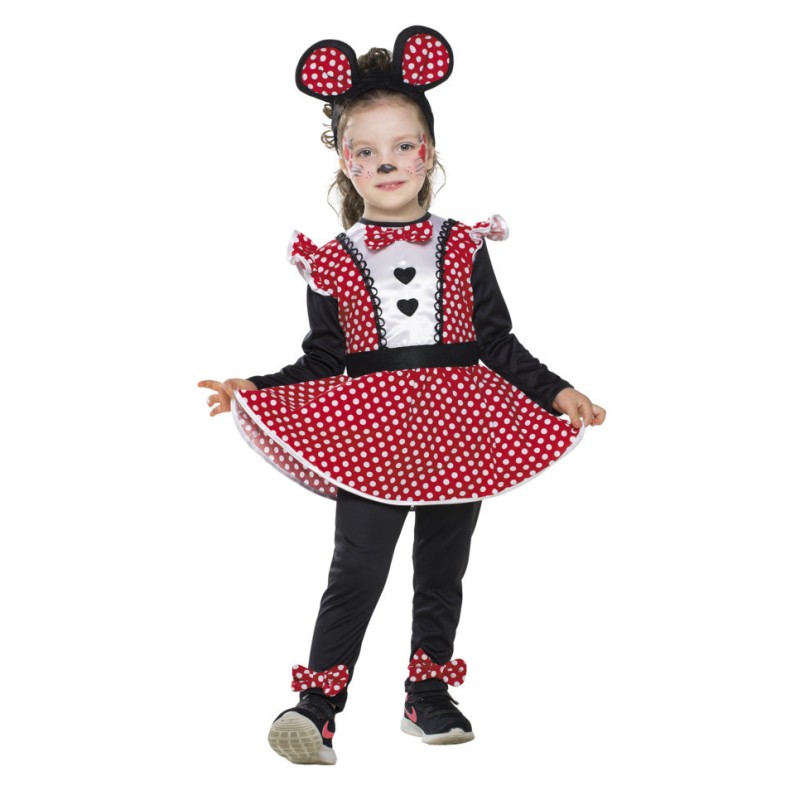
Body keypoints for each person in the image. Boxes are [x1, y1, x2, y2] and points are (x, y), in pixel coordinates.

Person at [198, 25, 605, 766]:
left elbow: (496, 341)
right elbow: (324, 358)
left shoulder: (463, 244)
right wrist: (257, 388)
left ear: (430, 152)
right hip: (372, 430)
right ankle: (318, 707)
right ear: (344, 164)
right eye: (366, 151)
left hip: (460, 425)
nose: (386, 162)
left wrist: (559, 390)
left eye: (403, 145)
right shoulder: (333, 261)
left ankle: (428, 694)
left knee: (443, 567)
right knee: (357, 567)